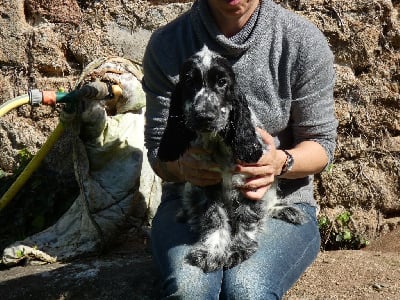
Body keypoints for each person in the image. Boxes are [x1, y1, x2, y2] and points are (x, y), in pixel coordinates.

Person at [142, 0, 337, 298]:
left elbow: (322, 144)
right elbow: (160, 150)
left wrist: (279, 163)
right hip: (189, 199)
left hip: (279, 198)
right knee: (190, 288)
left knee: (248, 289)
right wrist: (182, 167)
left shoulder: (300, 39)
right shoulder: (168, 44)